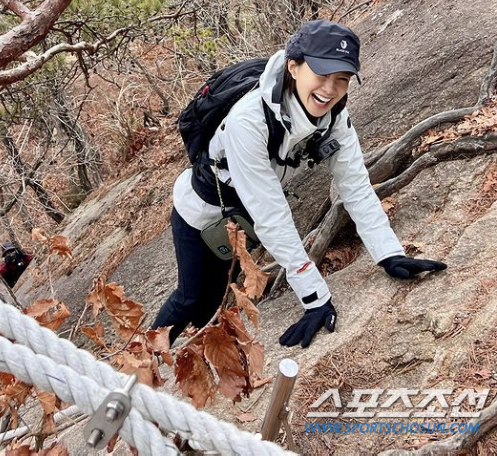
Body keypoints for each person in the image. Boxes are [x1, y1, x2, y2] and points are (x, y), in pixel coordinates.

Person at [152, 20, 446, 348]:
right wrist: (314, 297)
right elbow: (271, 213)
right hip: (202, 213)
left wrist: (389, 254)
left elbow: (356, 186)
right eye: (321, 75)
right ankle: (138, 368)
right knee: (192, 299)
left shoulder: (333, 117)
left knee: (218, 296)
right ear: (293, 67)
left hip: (243, 219)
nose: (330, 90)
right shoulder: (247, 121)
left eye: (342, 79)